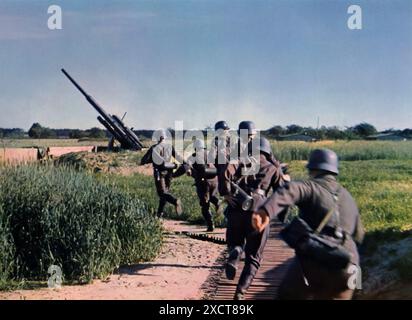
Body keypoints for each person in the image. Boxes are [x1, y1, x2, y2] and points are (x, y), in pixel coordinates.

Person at [251, 149, 365, 300]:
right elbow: (359, 236)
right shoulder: (348, 197)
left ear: (312, 170)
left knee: (287, 294)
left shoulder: (311, 186)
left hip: (318, 258)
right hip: (350, 266)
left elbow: (291, 189)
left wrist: (266, 211)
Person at [221, 134, 285, 300]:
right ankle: (240, 292)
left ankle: (235, 251)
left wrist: (226, 194)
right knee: (254, 257)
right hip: (259, 209)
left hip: (238, 205)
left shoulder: (241, 160)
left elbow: (224, 172)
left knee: (235, 242)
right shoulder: (272, 167)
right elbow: (282, 194)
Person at [176, 139, 221, 231]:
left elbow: (185, 166)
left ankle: (210, 224)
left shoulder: (194, 156)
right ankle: (217, 202)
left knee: (204, 205)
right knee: (212, 196)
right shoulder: (210, 154)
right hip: (215, 181)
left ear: (195, 147)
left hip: (203, 182)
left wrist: (174, 175)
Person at [141, 129, 183, 218]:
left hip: (159, 172)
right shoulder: (170, 147)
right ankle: (159, 214)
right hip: (169, 171)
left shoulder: (154, 148)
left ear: (158, 137)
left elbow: (143, 160)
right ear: (165, 137)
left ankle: (175, 201)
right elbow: (178, 158)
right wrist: (186, 164)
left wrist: (150, 160)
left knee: (162, 193)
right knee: (165, 193)